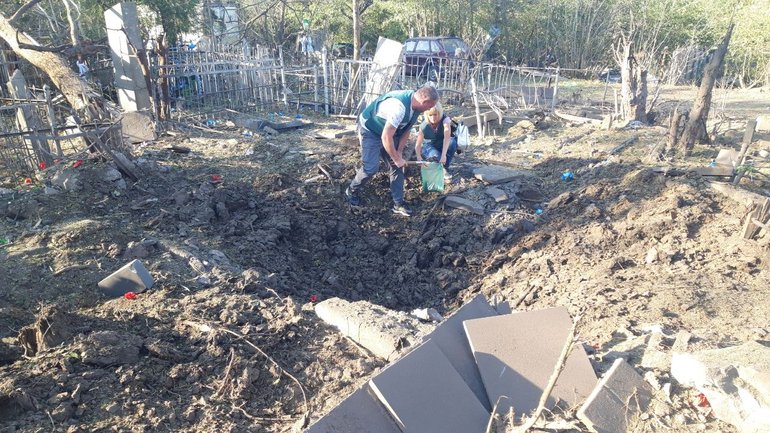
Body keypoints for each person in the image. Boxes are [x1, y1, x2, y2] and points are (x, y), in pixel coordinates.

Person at [345, 86, 440, 217]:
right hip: (371, 130)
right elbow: (386, 137)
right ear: (424, 102)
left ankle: (398, 203)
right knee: (371, 167)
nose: (430, 109)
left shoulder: (416, 106)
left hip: (390, 131)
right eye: (430, 106)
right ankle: (351, 190)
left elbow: (406, 130)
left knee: (396, 167)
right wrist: (396, 158)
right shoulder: (399, 108)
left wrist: (399, 152)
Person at [414, 101, 457, 180]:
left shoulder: (445, 120)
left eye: (435, 114)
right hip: (429, 146)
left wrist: (444, 155)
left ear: (439, 113)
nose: (433, 118)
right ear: (427, 115)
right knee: (436, 156)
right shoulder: (424, 126)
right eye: (430, 115)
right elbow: (418, 144)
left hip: (443, 143)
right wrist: (418, 157)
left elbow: (447, 138)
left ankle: (445, 167)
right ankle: (441, 170)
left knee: (452, 142)